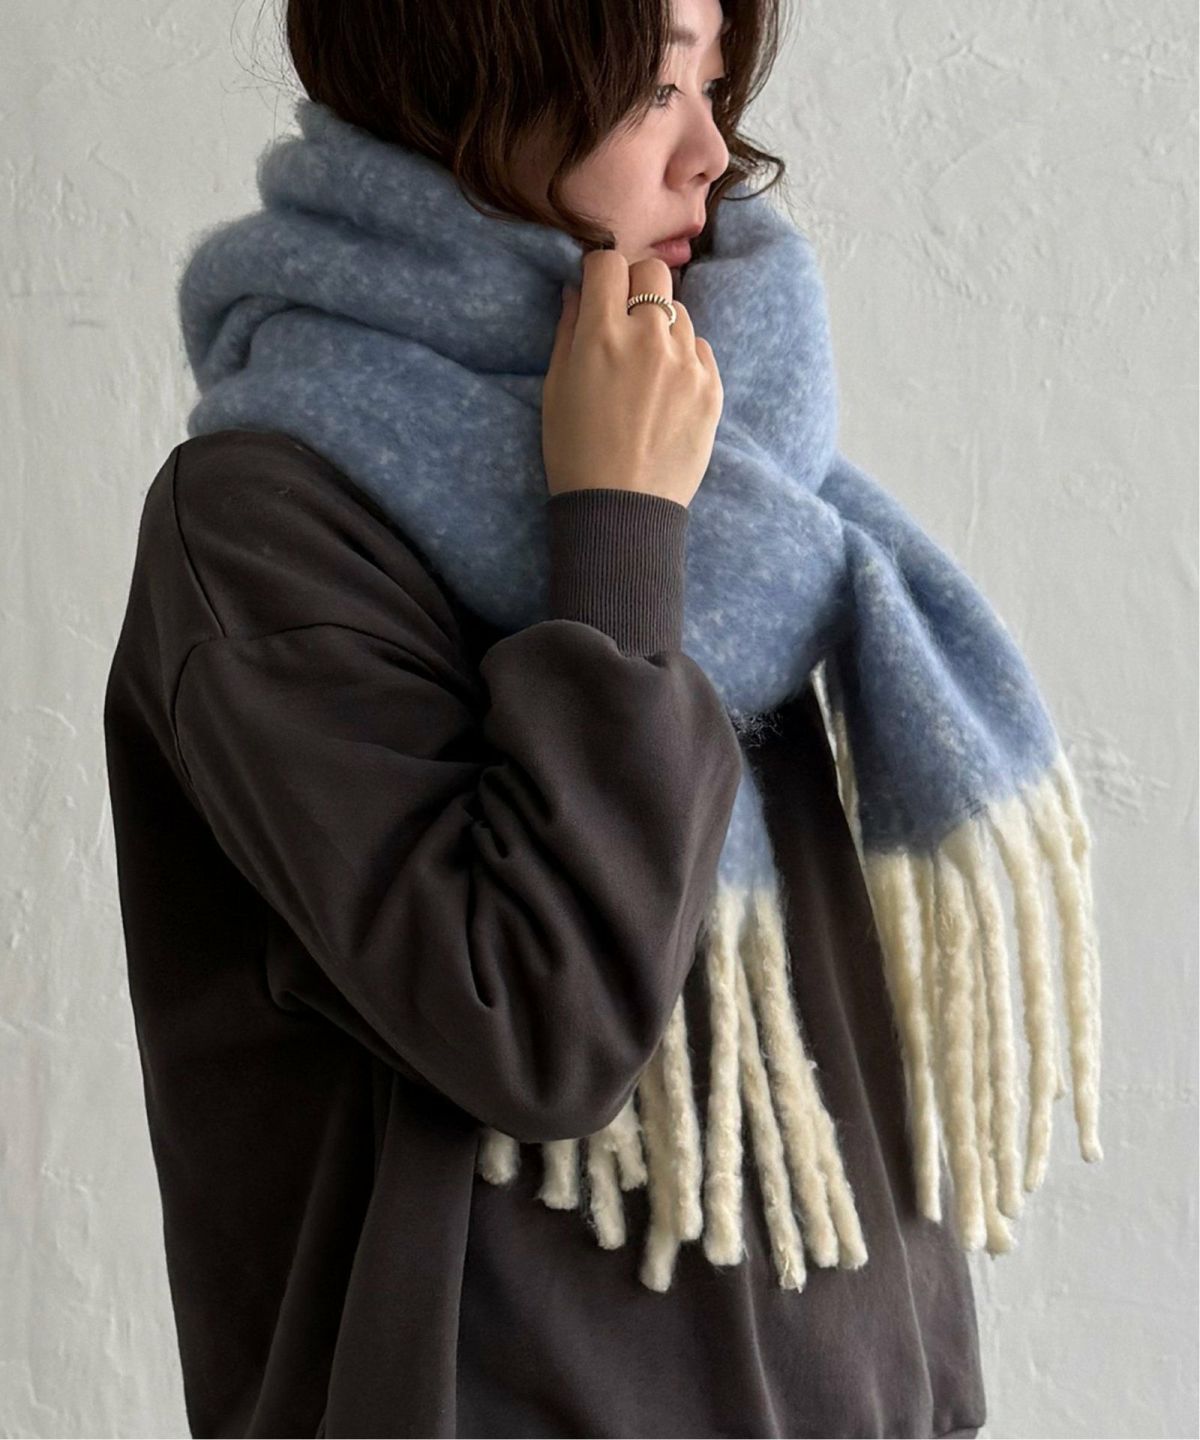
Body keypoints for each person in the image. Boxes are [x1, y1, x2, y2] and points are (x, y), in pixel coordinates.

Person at [103, 0, 990, 1434]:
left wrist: (925, 1388)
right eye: (654, 89)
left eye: (717, 87)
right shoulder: (267, 526)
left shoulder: (741, 477)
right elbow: (535, 1031)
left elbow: (829, 1029)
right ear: (467, 75)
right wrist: (619, 533)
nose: (712, 154)